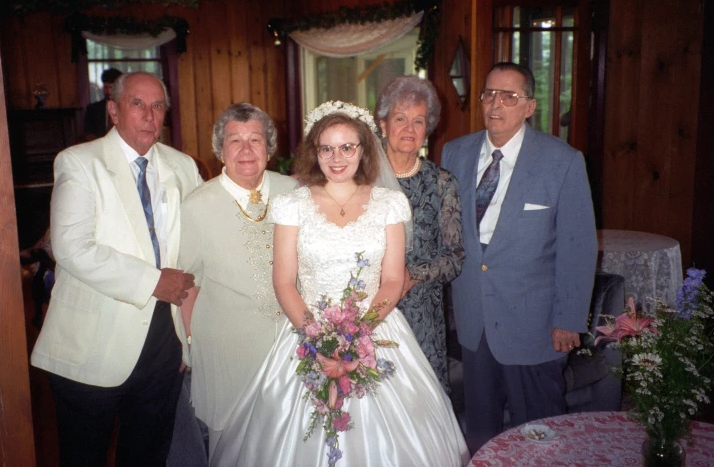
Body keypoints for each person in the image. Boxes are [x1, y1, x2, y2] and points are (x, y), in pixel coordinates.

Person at [211, 103, 470, 467]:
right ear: (314, 152)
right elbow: (284, 282)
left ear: (364, 149)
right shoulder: (291, 205)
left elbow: (393, 279)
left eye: (348, 147)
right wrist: (318, 338)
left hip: (376, 331)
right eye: (327, 148)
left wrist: (357, 336)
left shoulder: (389, 203)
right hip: (307, 332)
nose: (337, 157)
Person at [31, 72, 204, 467]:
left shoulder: (183, 167)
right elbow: (72, 248)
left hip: (165, 342)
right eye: (137, 104)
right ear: (113, 110)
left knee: (147, 454)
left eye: (157, 106)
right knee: (83, 456)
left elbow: (199, 254)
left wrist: (190, 337)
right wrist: (153, 280)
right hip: (93, 342)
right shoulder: (79, 163)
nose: (149, 115)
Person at [440, 62, 597, 454]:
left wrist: (568, 319)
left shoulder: (562, 161)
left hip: (534, 324)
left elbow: (578, 247)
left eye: (509, 96)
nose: (496, 103)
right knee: (483, 433)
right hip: (474, 323)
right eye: (489, 94)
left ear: (529, 106)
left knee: (538, 433)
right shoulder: (454, 153)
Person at [175, 103, 297, 461]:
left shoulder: (294, 192)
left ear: (269, 147)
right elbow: (185, 283)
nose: (246, 150)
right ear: (220, 150)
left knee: (289, 442)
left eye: (255, 139)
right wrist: (193, 342)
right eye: (235, 140)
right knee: (235, 448)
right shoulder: (197, 205)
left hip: (289, 346)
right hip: (227, 350)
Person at [375, 76, 465, 394]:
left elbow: (455, 257)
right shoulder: (361, 180)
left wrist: (412, 275)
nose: (409, 129)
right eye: (400, 119)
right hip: (369, 312)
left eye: (418, 120)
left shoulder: (442, 183)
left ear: (428, 128)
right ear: (383, 124)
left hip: (422, 317)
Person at [83, 67, 123, 138]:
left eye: (111, 87)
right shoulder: (93, 109)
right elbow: (88, 133)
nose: (108, 91)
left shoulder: (125, 107)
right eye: (105, 87)